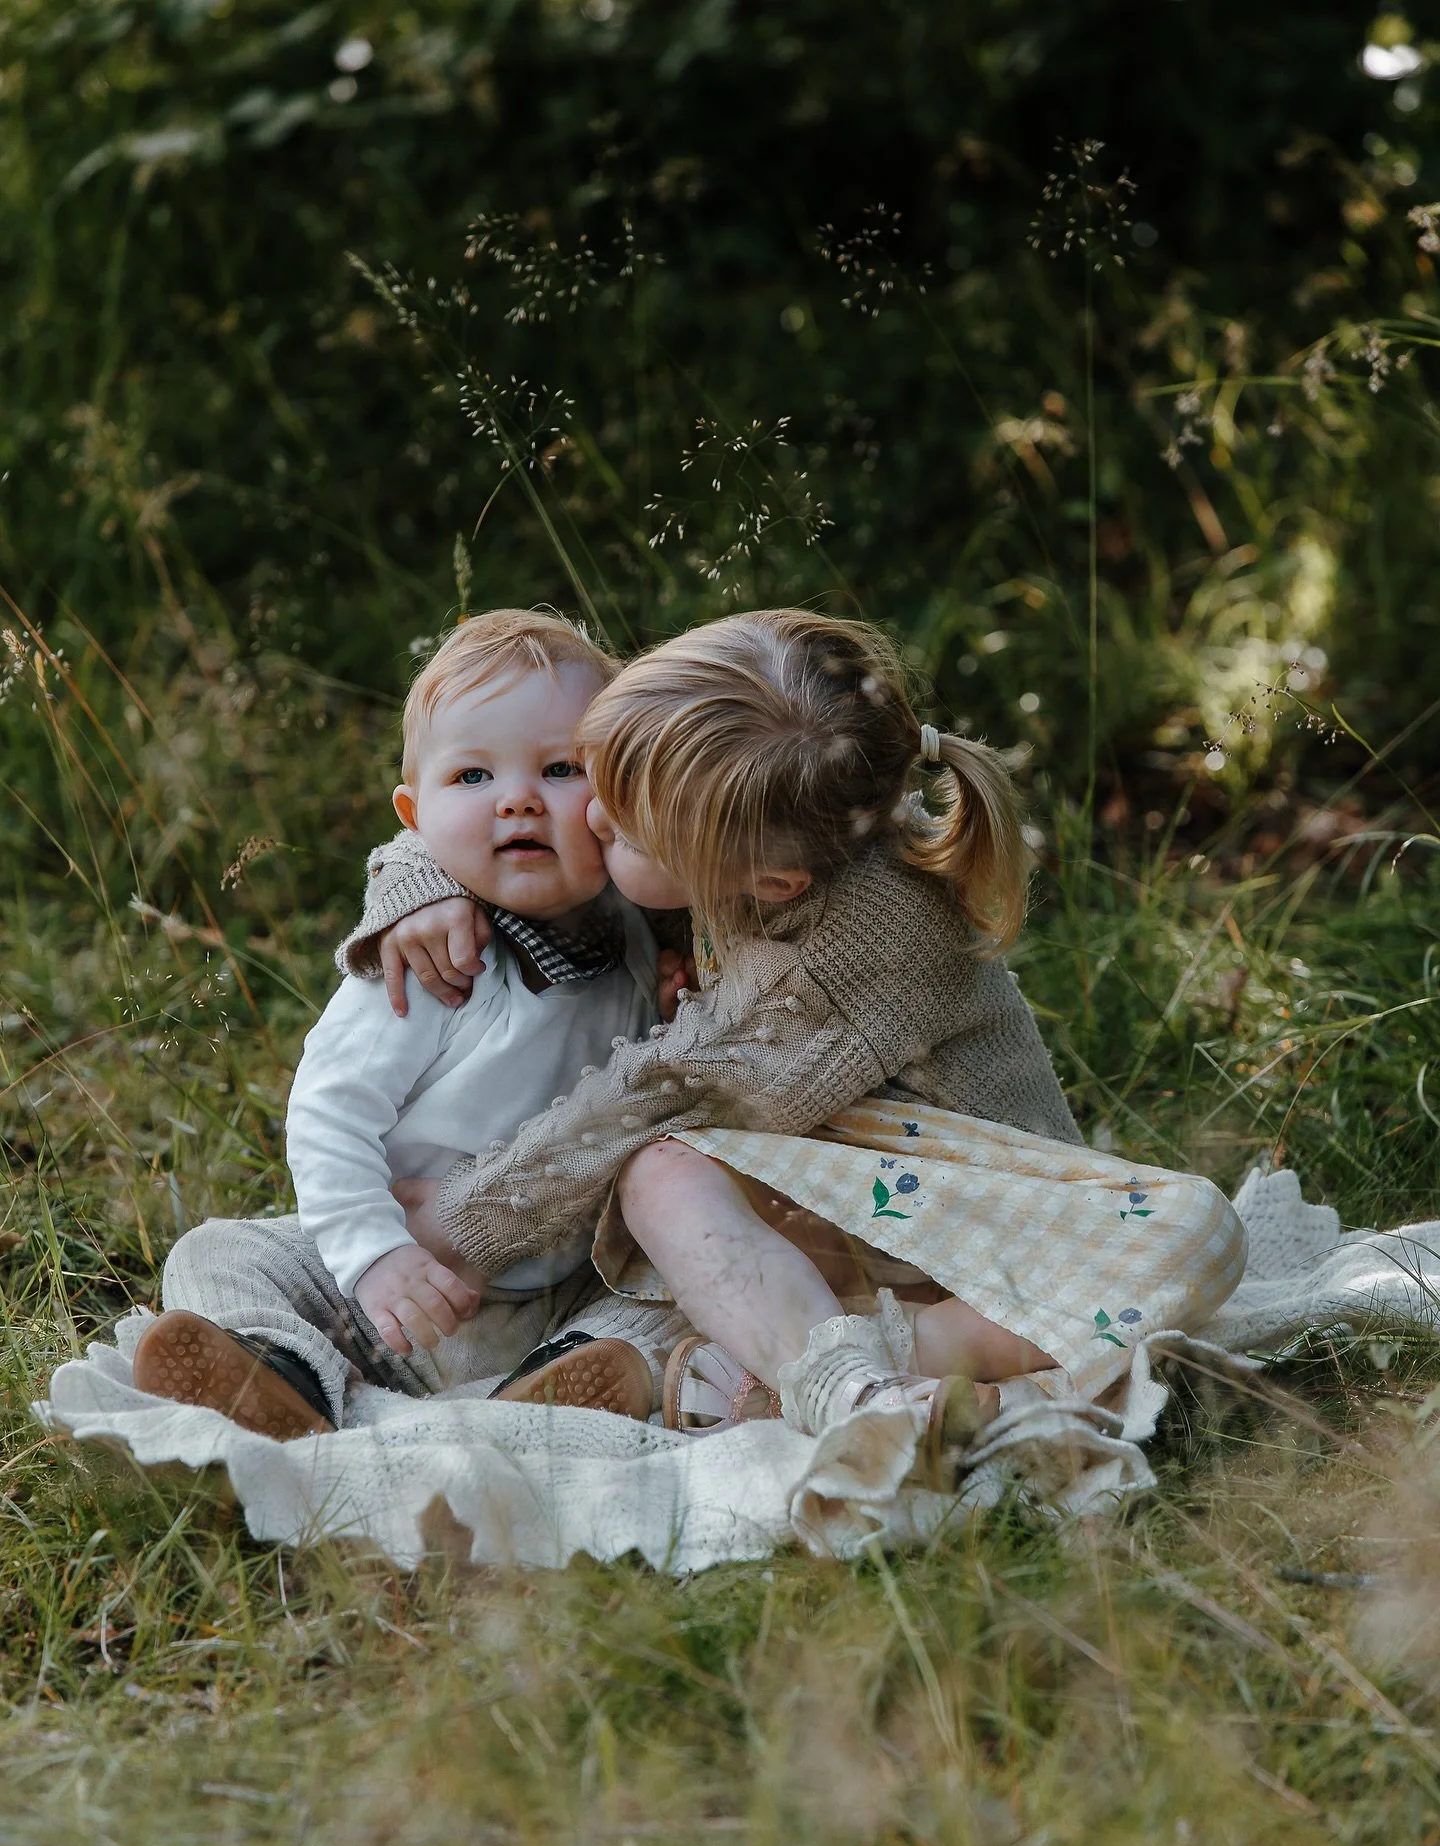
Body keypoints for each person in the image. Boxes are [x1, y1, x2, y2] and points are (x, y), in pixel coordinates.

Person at [342, 608, 1247, 1486]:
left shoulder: (845, 949)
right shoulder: (768, 813)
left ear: (767, 884)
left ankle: (851, 1375)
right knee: (670, 1204)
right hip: (839, 1195)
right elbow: (485, 801)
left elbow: (660, 1091)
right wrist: (419, 877)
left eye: (618, 829)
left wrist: (466, 1221)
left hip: (970, 1233)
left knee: (658, 1169)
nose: (586, 819)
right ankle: (740, 1359)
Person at [131, 610, 689, 1440]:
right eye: (472, 775)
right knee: (215, 1252)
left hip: (561, 1286)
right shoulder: (432, 958)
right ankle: (284, 1373)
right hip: (390, 1288)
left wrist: (678, 1002)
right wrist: (376, 1256)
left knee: (681, 1286)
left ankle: (563, 1380)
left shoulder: (640, 942)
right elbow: (330, 1113)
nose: (518, 799)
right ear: (414, 815)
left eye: (561, 769)